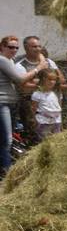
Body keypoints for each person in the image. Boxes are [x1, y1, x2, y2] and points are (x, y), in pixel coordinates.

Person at [0, 35, 42, 178]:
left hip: (11, 102)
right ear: (2, 47)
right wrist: (39, 69)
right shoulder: (2, 60)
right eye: (11, 47)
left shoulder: (11, 61)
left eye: (16, 48)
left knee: (9, 138)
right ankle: (7, 172)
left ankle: (7, 168)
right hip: (2, 103)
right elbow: (19, 80)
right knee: (7, 139)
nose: (14, 50)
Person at [17, 36, 63, 145]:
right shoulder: (21, 65)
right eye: (34, 46)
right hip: (31, 104)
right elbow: (23, 86)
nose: (38, 49)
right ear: (26, 48)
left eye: (39, 46)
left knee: (55, 138)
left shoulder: (49, 62)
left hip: (50, 104)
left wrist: (36, 81)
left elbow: (60, 80)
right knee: (35, 135)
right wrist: (40, 72)